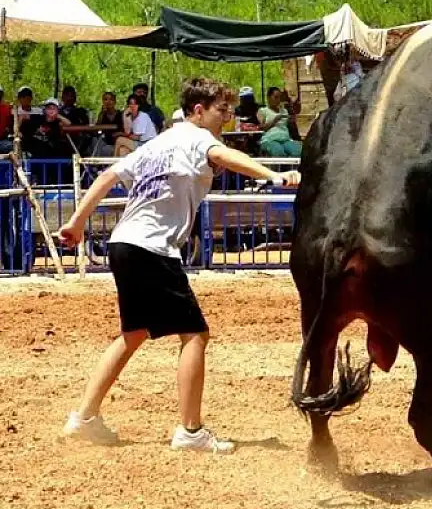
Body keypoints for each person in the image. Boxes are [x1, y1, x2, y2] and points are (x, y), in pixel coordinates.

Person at [56, 77, 301, 452]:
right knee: (194, 335)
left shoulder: (158, 143)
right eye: (222, 110)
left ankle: (84, 417)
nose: (228, 117)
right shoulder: (197, 137)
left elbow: (108, 176)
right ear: (198, 111)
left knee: (134, 333)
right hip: (152, 248)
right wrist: (274, 175)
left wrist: (76, 222)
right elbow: (222, 156)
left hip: (124, 244)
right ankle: (190, 431)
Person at [257, 87, 302, 157]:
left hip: (285, 139)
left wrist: (291, 121)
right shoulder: (263, 111)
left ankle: (292, 168)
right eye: (276, 97)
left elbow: (289, 127)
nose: (278, 100)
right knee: (278, 152)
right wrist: (275, 120)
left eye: (279, 98)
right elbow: (261, 127)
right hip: (270, 140)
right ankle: (280, 168)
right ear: (268, 98)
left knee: (298, 151)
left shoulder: (284, 111)